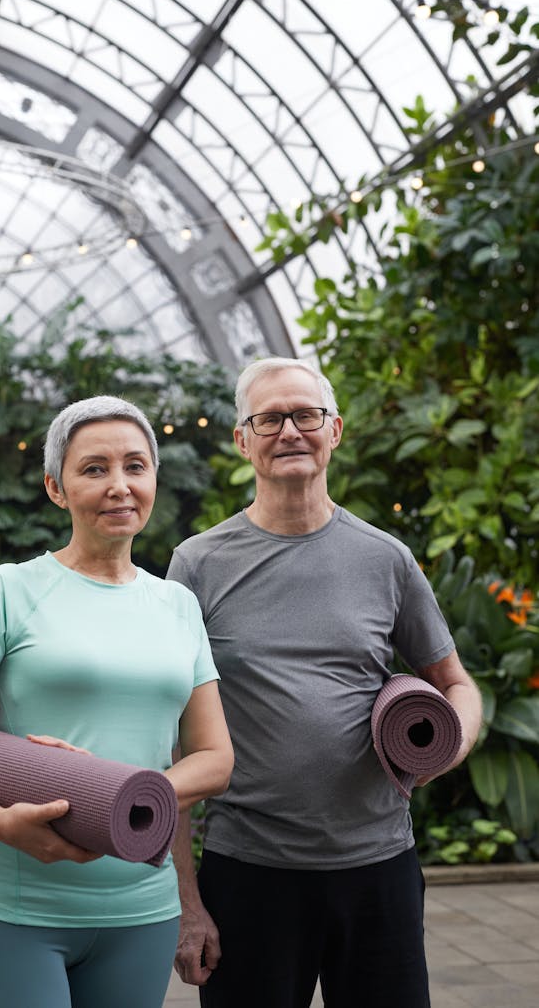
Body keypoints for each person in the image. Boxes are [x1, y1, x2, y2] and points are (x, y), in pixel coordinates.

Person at [0, 395, 233, 1008]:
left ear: (153, 478)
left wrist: (117, 795)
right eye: (94, 469)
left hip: (140, 911)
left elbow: (215, 758)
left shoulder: (177, 605)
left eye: (135, 466)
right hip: (13, 904)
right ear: (56, 487)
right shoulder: (13, 590)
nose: (119, 486)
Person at [166, 357, 482, 1008]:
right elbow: (170, 736)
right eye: (269, 417)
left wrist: (447, 750)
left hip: (378, 869)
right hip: (248, 873)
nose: (289, 431)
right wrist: (187, 902)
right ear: (242, 439)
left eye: (305, 414)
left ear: (334, 430)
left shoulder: (385, 559)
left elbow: (457, 685)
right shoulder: (196, 565)